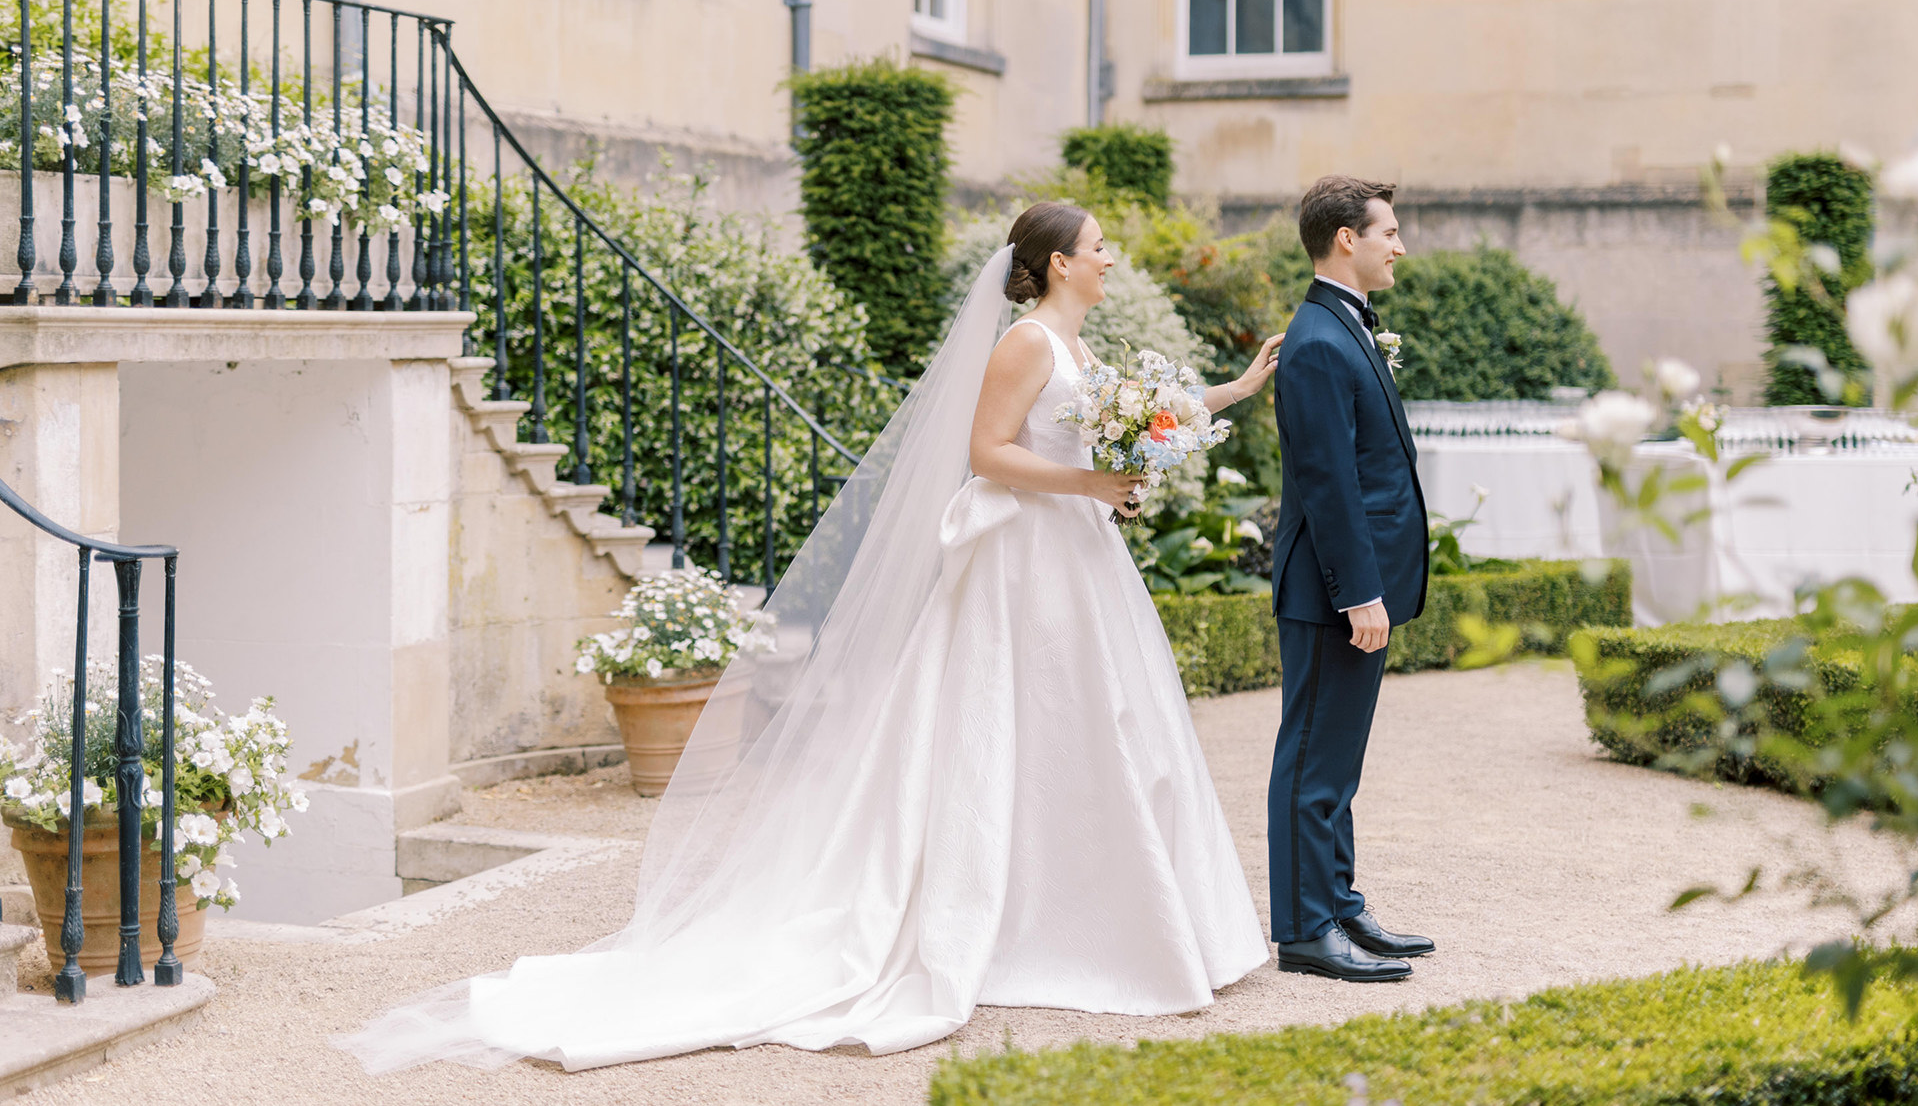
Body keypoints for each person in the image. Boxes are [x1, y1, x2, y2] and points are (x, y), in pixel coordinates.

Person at [341, 201, 1282, 1073]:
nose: (1113, 257)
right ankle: (1008, 917)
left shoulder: (1075, 345)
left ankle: (1090, 913)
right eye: (1100, 245)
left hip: (1074, 560)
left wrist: (1238, 386)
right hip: (1024, 561)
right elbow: (985, 454)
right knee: (1012, 718)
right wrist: (1088, 487)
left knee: (1092, 727)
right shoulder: (1026, 345)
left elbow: (1145, 420)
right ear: (1059, 263)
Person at [1266, 175, 1435, 983]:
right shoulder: (1318, 340)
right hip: (1332, 591)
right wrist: (1357, 592)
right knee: (1312, 757)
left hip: (1352, 588)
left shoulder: (1343, 326)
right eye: (1389, 232)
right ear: (1346, 239)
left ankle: (1335, 901)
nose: (1399, 246)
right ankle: (1303, 926)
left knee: (1339, 759)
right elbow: (1329, 479)